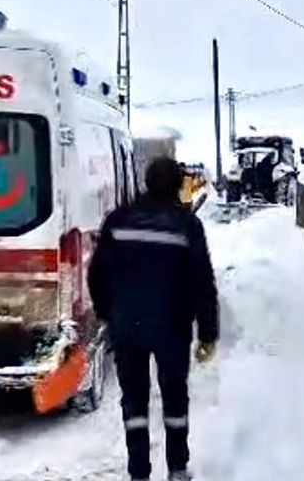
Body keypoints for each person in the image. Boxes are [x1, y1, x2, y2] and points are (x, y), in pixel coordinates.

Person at [88, 157, 219, 481]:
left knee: (134, 401)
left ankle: (139, 473)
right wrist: (207, 333)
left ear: (146, 183)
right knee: (174, 396)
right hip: (172, 328)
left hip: (127, 327)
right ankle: (176, 469)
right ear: (177, 185)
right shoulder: (186, 225)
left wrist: (108, 314)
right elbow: (202, 281)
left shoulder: (118, 220)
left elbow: (97, 274)